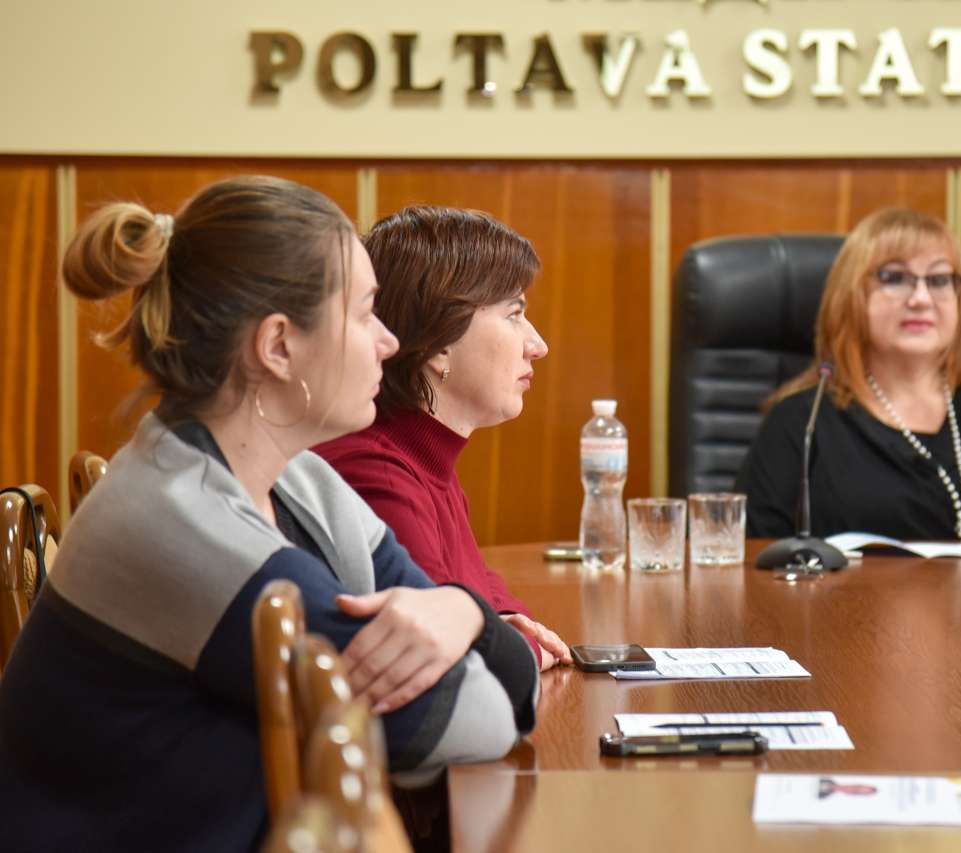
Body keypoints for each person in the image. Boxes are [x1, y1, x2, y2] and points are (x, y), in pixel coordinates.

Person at [0, 177, 538, 851]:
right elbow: (481, 717)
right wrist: (474, 617)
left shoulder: (300, 479)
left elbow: (494, 688)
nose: (388, 341)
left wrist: (461, 613)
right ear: (278, 346)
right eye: (365, 313)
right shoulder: (190, 526)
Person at [314, 205, 571, 671]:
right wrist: (520, 644)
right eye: (514, 314)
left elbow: (484, 593)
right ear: (439, 345)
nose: (538, 345)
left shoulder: (423, 457)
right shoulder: (376, 472)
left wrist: (506, 627)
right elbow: (456, 656)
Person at [736, 208, 961, 542]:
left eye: (939, 279)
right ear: (850, 296)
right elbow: (756, 562)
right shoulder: (803, 425)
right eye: (894, 278)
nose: (921, 298)